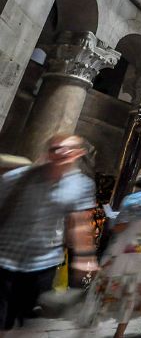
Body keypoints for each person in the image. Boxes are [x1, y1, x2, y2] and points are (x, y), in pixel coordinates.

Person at [0, 134, 97, 336]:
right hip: (5, 257)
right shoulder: (16, 177)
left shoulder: (81, 185)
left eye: (68, 149)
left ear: (78, 153)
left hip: (43, 262)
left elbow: (79, 223)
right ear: (48, 152)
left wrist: (85, 259)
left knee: (22, 317)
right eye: (55, 148)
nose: (61, 152)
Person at [79, 174, 141, 338]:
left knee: (107, 283)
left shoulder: (131, 200)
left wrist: (112, 223)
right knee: (132, 292)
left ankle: (93, 320)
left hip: (125, 249)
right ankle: (119, 333)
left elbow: (120, 227)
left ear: (139, 186)